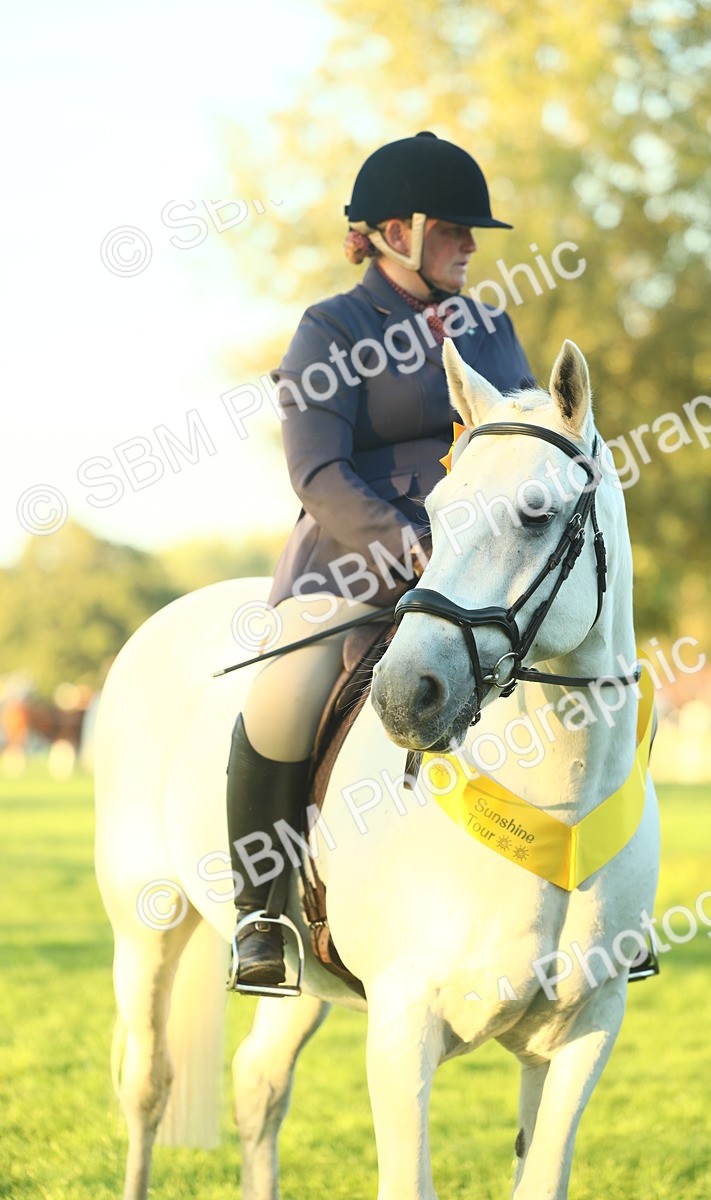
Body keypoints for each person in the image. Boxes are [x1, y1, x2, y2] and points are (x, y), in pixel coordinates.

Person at [227, 131, 536, 994]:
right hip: (354, 563)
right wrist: (413, 543)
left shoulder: (492, 326)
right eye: (455, 231)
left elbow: (515, 444)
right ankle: (260, 913)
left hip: (479, 568)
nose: (472, 245)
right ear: (397, 233)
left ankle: (602, 900)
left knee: (586, 664)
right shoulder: (333, 327)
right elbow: (315, 470)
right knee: (285, 685)